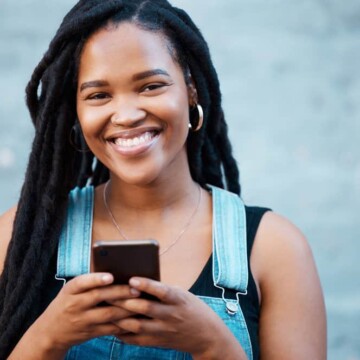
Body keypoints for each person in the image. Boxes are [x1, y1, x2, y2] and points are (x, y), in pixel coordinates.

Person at [0, 0, 326, 359]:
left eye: (151, 86)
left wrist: (212, 344)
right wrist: (49, 336)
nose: (125, 114)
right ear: (75, 110)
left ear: (191, 90)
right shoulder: (21, 236)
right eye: (98, 95)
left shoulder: (276, 248)